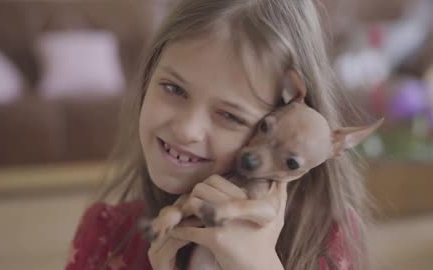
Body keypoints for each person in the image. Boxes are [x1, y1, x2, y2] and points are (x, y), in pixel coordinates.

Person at [65, 0, 370, 269]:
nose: (186, 130)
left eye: (230, 115)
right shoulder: (106, 234)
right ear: (148, 75)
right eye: (174, 88)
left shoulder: (327, 241)